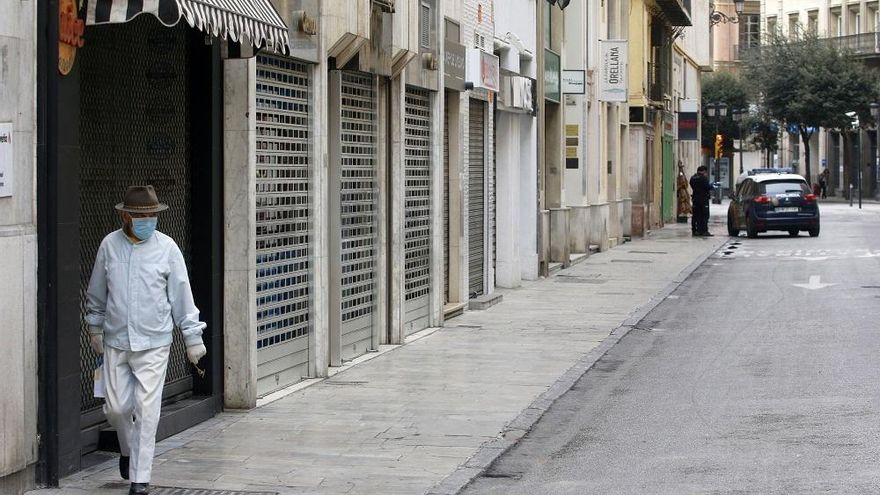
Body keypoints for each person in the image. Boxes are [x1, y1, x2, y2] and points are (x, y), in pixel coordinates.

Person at [86, 185, 207, 495]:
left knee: (147, 409)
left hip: (155, 343)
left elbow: (182, 296)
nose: (148, 220)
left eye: (152, 215)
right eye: (141, 215)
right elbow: (97, 293)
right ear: (126, 216)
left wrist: (192, 337)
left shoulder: (167, 249)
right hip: (116, 341)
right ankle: (127, 451)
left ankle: (140, 479)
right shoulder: (109, 246)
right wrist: (95, 329)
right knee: (116, 409)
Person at [689, 165, 715, 236]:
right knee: (704, 215)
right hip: (703, 199)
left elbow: (692, 185)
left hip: (695, 199)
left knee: (695, 215)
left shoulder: (693, 178)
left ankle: (695, 230)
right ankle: (704, 231)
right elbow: (707, 187)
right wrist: (713, 185)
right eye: (706, 172)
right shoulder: (703, 178)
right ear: (704, 171)